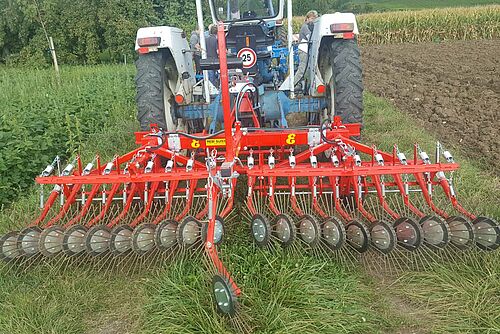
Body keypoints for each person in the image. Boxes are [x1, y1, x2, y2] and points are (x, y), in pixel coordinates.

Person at [294, 10, 318, 90]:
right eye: (312, 18)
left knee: (306, 70)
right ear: (307, 18)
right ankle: (292, 85)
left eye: (315, 18)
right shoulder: (305, 27)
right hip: (303, 50)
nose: (313, 20)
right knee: (302, 69)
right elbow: (310, 37)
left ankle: (302, 86)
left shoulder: (309, 26)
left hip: (307, 50)